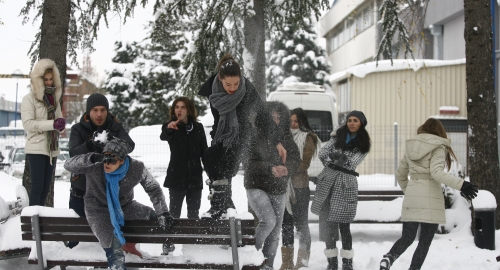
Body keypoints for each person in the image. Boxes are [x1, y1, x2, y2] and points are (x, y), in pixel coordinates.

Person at [379, 118, 478, 270]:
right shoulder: (438, 146)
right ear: (439, 131)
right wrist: (462, 184)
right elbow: (436, 173)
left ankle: (389, 257)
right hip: (431, 201)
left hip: (413, 199)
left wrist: (411, 191)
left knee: (407, 237)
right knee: (424, 242)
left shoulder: (412, 146)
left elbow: (400, 175)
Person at [198, 54, 287, 219]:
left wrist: (277, 141)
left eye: (236, 83)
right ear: (219, 78)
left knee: (225, 168)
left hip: (242, 137)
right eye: (228, 84)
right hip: (220, 135)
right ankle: (225, 206)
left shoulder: (247, 89)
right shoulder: (212, 86)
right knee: (210, 158)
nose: (232, 88)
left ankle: (220, 206)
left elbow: (263, 115)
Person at [64, 138, 174, 270]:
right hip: (97, 209)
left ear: (122, 161)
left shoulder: (136, 168)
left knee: (152, 216)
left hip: (125, 206)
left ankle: (136, 244)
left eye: (112, 160)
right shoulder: (95, 164)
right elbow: (68, 165)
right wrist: (91, 158)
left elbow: (153, 188)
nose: (107, 163)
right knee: (115, 252)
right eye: (105, 158)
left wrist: (163, 212)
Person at [67, 92, 135, 249]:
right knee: (75, 239)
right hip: (81, 192)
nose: (99, 114)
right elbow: (73, 154)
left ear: (107, 111)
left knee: (105, 240)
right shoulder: (78, 129)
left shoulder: (114, 126)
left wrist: (112, 141)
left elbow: (129, 145)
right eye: (95, 110)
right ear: (88, 112)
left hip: (106, 194)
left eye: (103, 110)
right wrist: (90, 144)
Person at [310, 110, 371, 270]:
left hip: (345, 186)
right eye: (349, 120)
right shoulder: (337, 137)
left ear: (361, 123)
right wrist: (336, 158)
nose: (351, 123)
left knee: (344, 226)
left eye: (355, 120)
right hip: (327, 183)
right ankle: (331, 262)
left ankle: (347, 262)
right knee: (328, 225)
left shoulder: (363, 143)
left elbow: (351, 162)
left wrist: (335, 157)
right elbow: (323, 153)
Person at [245, 101, 301, 269]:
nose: (276, 121)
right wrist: (270, 169)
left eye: (279, 118)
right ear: (264, 118)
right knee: (268, 221)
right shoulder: (254, 135)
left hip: (279, 188)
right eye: (272, 117)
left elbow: (295, 159)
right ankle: (247, 254)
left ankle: (267, 265)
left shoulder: (286, 136)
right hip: (256, 185)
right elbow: (248, 164)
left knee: (275, 233)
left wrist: (286, 169)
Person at [279, 108, 321, 270]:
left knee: (301, 225)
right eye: (291, 121)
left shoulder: (308, 138)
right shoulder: (282, 137)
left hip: (300, 188)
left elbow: (305, 163)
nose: (293, 124)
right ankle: (287, 263)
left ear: (302, 122)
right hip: (284, 188)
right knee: (286, 225)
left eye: (296, 121)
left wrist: (286, 169)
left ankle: (302, 262)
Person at [21, 58, 65, 206]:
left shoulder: (54, 99)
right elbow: (28, 124)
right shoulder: (29, 99)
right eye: (45, 79)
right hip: (36, 147)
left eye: (51, 79)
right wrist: (53, 124)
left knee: (45, 189)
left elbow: (58, 121)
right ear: (38, 79)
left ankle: (40, 223)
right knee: (37, 188)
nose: (48, 82)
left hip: (51, 149)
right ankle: (33, 222)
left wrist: (61, 125)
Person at [160, 97, 208, 219]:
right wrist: (169, 129)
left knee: (193, 215)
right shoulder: (169, 126)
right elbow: (164, 136)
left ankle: (192, 238)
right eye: (176, 107)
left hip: (195, 178)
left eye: (183, 107)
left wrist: (210, 171)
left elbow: (204, 152)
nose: (179, 110)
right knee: (174, 215)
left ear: (189, 110)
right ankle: (172, 238)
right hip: (176, 178)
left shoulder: (198, 128)